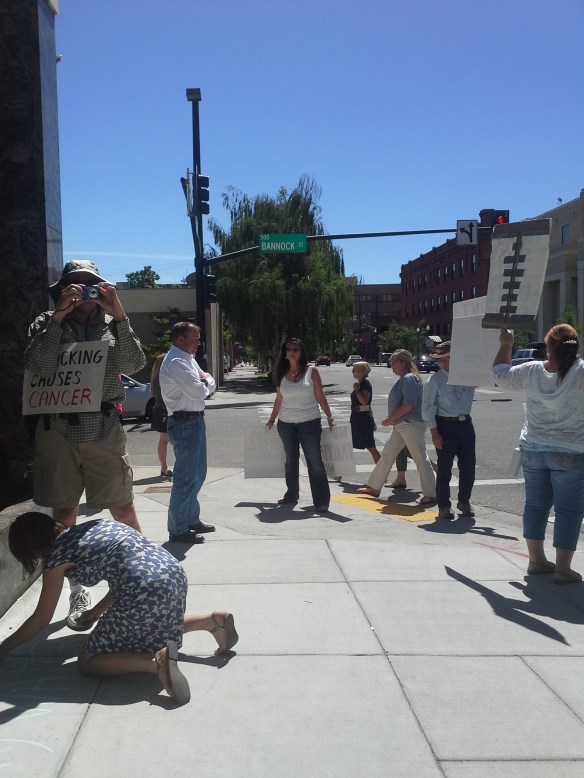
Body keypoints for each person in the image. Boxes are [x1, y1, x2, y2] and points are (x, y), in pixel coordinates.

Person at [0, 512, 238, 706]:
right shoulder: (96, 526)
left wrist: (4, 647)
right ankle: (211, 621)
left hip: (142, 589)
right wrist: (95, 612)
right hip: (172, 573)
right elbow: (126, 572)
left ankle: (156, 663)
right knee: (152, 623)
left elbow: (41, 618)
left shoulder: (56, 559)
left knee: (88, 661)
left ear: (30, 550)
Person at [26, 259, 146, 629]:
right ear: (62, 288)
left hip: (103, 428)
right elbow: (36, 366)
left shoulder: (113, 323)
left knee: (123, 508)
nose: (82, 290)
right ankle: (76, 589)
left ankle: (138, 578)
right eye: (74, 284)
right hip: (58, 430)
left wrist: (119, 313)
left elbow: (135, 364)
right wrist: (59, 317)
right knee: (64, 515)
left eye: (89, 283)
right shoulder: (47, 321)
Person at [493, 325, 584, 584]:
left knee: (535, 505)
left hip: (533, 447)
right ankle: (563, 568)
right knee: (568, 510)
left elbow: (500, 375)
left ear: (548, 346)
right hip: (571, 450)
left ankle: (536, 560)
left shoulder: (532, 370)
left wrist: (506, 345)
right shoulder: (581, 371)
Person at [160, 322, 216, 544]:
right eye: (195, 338)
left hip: (195, 420)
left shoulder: (188, 359)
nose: (198, 343)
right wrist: (206, 383)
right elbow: (198, 391)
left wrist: (206, 381)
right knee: (185, 478)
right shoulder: (176, 361)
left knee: (198, 474)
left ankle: (191, 518)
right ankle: (177, 529)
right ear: (180, 339)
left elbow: (207, 380)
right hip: (184, 422)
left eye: (199, 338)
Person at [266, 338, 334, 513]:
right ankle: (291, 495)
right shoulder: (280, 373)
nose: (291, 352)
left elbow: (320, 396)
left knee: (315, 462)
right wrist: (272, 419)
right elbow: (279, 399)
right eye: (289, 349)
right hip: (286, 424)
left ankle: (321, 501)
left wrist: (329, 416)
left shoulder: (312, 372)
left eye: (295, 349)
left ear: (301, 352)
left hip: (309, 423)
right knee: (290, 461)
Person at [358, 350, 436, 503]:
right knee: (388, 454)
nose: (391, 365)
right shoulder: (405, 379)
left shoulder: (409, 378)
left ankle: (432, 493)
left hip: (410, 423)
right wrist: (393, 419)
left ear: (404, 362)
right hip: (402, 424)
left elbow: (409, 404)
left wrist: (390, 418)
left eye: (394, 362)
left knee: (420, 458)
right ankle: (374, 487)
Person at [421, 341, 476, 520]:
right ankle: (444, 506)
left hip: (465, 424)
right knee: (444, 468)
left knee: (468, 466)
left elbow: (489, 377)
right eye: (455, 357)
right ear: (445, 359)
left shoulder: (467, 377)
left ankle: (464, 501)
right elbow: (427, 408)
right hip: (445, 426)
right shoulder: (435, 381)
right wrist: (434, 432)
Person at [349, 361, 380, 465]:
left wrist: (357, 391)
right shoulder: (361, 384)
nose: (352, 372)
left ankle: (382, 471)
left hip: (363, 419)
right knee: (351, 443)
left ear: (360, 371)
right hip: (357, 418)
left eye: (354, 369)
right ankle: (382, 469)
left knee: (371, 447)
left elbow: (364, 402)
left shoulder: (365, 384)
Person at [150, 354, 172, 478]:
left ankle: (164, 467)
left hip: (162, 410)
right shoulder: (160, 377)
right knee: (164, 440)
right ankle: (164, 468)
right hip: (163, 411)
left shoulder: (158, 376)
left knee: (165, 440)